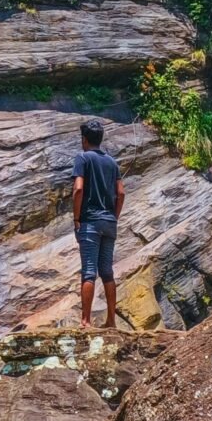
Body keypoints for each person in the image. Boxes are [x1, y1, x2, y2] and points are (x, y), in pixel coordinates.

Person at [72, 118, 125, 328]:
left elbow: (78, 189)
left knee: (89, 271)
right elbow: (121, 193)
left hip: (90, 223)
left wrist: (77, 218)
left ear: (84, 139)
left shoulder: (82, 158)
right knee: (107, 271)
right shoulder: (112, 162)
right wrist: (114, 216)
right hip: (109, 222)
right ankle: (111, 320)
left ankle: (85, 321)